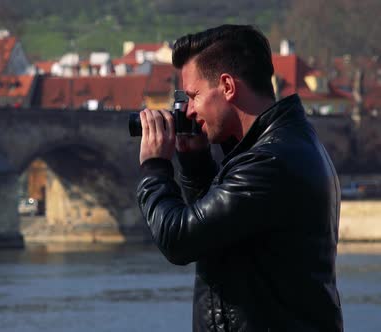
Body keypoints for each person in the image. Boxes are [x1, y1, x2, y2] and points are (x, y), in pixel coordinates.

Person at [137, 25, 343, 331]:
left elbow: (178, 240)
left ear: (228, 86)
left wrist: (155, 167)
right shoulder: (285, 145)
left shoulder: (269, 162)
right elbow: (214, 237)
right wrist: (195, 164)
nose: (188, 111)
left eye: (193, 96)